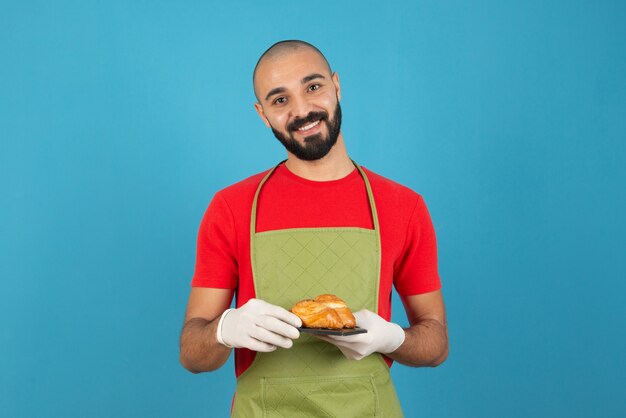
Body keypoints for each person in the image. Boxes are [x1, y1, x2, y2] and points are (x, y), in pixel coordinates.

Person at [179, 40, 449, 417]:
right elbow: (193, 354)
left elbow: (435, 343)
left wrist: (393, 338)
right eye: (280, 100)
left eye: (313, 86)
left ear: (336, 86)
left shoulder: (403, 206)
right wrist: (224, 329)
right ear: (262, 114)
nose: (302, 109)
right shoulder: (232, 207)